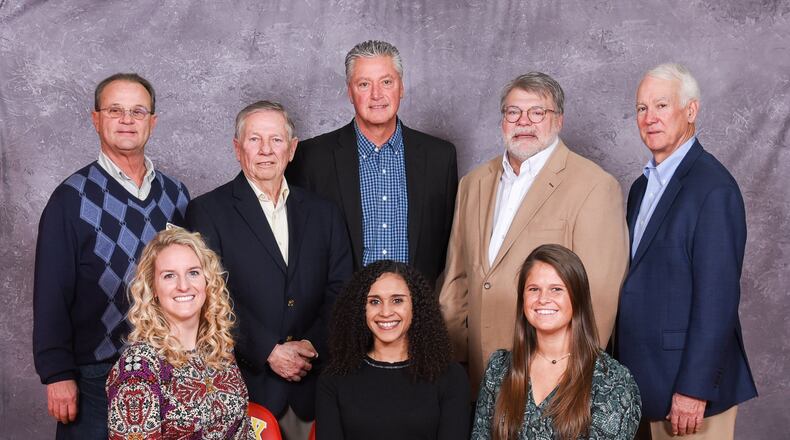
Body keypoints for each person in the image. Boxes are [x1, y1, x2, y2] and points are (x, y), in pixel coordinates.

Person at [439, 72, 629, 394]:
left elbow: (598, 297)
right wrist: (454, 364)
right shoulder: (473, 183)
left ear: (559, 120)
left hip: (549, 381)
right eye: (513, 112)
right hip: (474, 377)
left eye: (537, 112)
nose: (524, 122)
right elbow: (456, 282)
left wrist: (569, 383)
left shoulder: (595, 186)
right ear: (503, 120)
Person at [32, 73, 190, 439]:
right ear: (96, 119)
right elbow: (51, 292)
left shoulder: (176, 195)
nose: (126, 120)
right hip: (95, 374)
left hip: (167, 365)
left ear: (152, 122)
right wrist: (57, 374)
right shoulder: (70, 199)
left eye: (138, 111)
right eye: (115, 110)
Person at [186, 100, 352, 439]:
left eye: (276, 140)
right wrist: (268, 351)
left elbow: (342, 290)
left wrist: (311, 345)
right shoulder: (207, 211)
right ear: (237, 148)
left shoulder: (324, 213)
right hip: (246, 388)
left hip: (315, 387)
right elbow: (209, 297)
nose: (266, 150)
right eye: (254, 139)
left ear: (291, 149)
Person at [616, 63, 757, 439]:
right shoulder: (641, 188)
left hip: (689, 394)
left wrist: (694, 389)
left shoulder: (714, 189)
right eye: (642, 108)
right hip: (641, 384)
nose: (649, 118)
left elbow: (718, 300)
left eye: (661, 105)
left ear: (691, 111)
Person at [287, 40, 458, 286]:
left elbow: (447, 244)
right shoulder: (311, 158)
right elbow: (301, 244)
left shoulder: (440, 158)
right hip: (340, 307)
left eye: (386, 82)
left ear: (401, 87)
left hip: (416, 306)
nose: (377, 95)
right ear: (350, 92)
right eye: (364, 84)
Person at [472, 244, 641, 439]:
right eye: (534, 289)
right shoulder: (498, 368)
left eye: (556, 289)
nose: (543, 299)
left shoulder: (612, 381)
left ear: (577, 297)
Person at [106, 228, 252, 439]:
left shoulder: (219, 349)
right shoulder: (138, 366)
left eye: (193, 273)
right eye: (169, 276)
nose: (183, 286)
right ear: (153, 288)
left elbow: (243, 429)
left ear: (207, 280)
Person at [316, 260, 470, 439]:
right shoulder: (333, 379)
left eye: (397, 300)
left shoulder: (451, 377)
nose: (386, 312)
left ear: (416, 306)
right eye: (374, 301)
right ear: (361, 308)